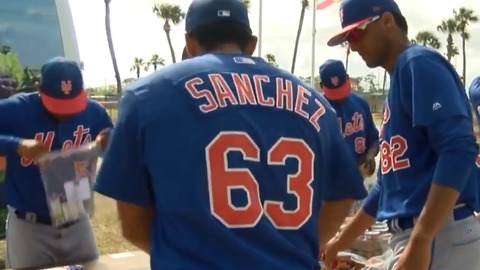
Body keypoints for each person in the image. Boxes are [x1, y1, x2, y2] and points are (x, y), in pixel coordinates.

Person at [94, 0, 367, 269]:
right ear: (251, 43)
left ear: (189, 43)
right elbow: (344, 194)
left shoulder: (146, 97)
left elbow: (132, 225)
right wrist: (300, 247)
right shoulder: (315, 102)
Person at [322, 0, 480, 269]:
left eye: (357, 33)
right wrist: (339, 240)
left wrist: (422, 239)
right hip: (422, 233)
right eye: (349, 39)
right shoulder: (400, 77)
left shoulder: (416, 63)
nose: (354, 46)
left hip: (436, 231)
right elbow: (386, 185)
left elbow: (458, 148)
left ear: (387, 21)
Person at [0, 56, 113, 269]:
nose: (67, 112)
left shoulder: (93, 112)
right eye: (58, 104)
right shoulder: (17, 110)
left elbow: (115, 140)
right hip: (30, 228)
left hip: (77, 222)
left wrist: (108, 141)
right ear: (38, 89)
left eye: (72, 103)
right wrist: (16, 144)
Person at [319, 59, 379, 178]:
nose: (339, 98)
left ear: (347, 78)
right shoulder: (316, 108)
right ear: (322, 86)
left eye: (341, 90)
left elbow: (374, 139)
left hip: (359, 176)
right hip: (328, 182)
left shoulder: (360, 103)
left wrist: (370, 156)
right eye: (334, 93)